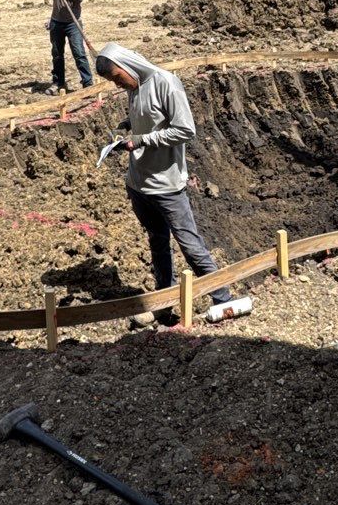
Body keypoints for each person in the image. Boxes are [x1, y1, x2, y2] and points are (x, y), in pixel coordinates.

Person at [94, 43, 241, 319]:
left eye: (117, 78)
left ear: (128, 65)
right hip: (139, 183)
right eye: (112, 81)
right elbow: (150, 117)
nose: (117, 85)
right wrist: (128, 124)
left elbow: (185, 130)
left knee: (190, 244)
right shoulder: (134, 86)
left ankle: (223, 299)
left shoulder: (167, 83)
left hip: (166, 185)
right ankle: (164, 301)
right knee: (157, 241)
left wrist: (142, 140)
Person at [35, 0, 93, 94]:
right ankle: (58, 83)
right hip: (56, 21)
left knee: (79, 53)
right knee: (57, 54)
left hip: (74, 21)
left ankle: (88, 84)